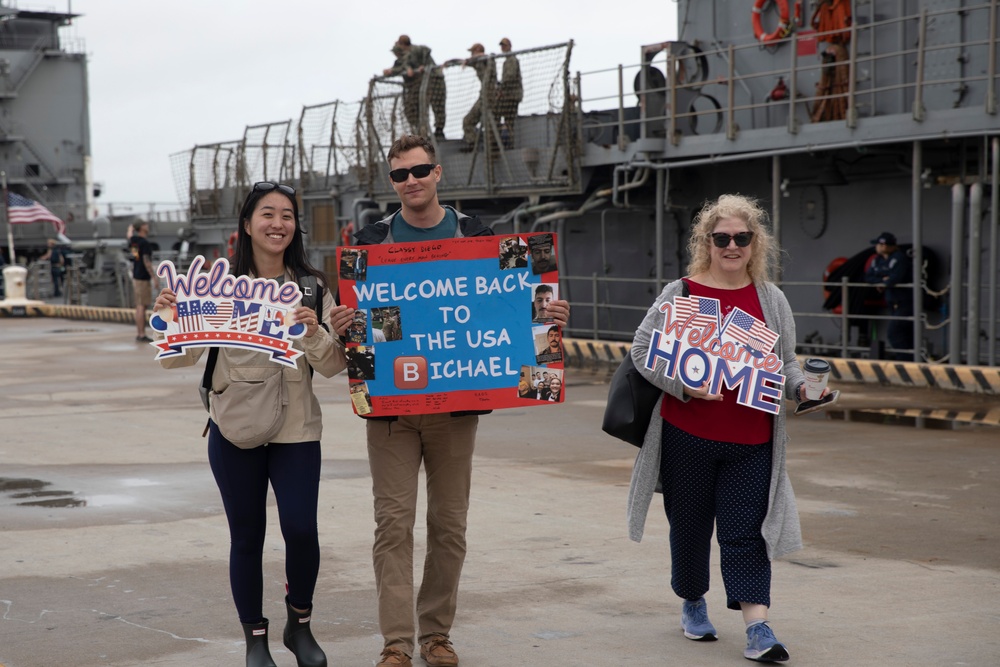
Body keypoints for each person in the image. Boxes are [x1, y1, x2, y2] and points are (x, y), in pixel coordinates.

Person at [345, 134, 569, 667]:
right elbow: (364, 327)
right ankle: (396, 642)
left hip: (455, 410)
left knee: (449, 525)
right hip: (393, 412)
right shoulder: (371, 241)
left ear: (438, 172)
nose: (411, 182)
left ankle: (436, 635)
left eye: (419, 171)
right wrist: (345, 326)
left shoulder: (478, 236)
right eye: (400, 175)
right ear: (391, 181)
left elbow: (513, 312)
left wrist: (549, 320)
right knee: (393, 527)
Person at [152, 182, 353, 667]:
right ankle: (255, 639)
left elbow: (332, 367)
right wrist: (169, 321)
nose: (278, 224)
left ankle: (298, 624)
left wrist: (314, 332)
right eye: (267, 214)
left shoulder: (311, 287)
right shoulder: (216, 289)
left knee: (302, 530)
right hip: (234, 427)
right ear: (246, 224)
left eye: (287, 215)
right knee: (247, 536)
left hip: (298, 429)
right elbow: (175, 361)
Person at [627, 194, 821, 664]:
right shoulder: (683, 293)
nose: (732, 246)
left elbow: (787, 363)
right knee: (690, 528)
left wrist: (803, 389)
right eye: (722, 238)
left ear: (756, 243)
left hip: (753, 440)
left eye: (742, 238)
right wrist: (684, 387)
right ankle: (693, 602)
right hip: (686, 435)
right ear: (707, 243)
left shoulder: (769, 298)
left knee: (747, 532)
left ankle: (757, 627)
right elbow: (641, 350)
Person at [384, 35, 446, 139]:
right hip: (419, 86)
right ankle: (421, 131)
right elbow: (403, 66)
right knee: (415, 110)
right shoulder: (405, 57)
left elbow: (411, 63)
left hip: (434, 79)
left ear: (402, 45)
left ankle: (438, 131)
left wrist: (421, 67)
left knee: (437, 105)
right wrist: (391, 71)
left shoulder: (417, 50)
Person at [864, 231, 914, 360]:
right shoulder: (878, 260)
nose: (877, 247)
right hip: (892, 301)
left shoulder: (899, 258)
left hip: (905, 301)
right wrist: (882, 282)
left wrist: (886, 282)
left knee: (895, 333)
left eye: (878, 245)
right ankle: (908, 360)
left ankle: (905, 361)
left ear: (884, 246)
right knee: (903, 332)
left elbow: (896, 278)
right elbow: (869, 276)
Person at [460, 43, 497, 152]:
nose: (471, 54)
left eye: (472, 51)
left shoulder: (487, 59)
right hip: (483, 95)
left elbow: (486, 56)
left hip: (490, 94)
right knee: (467, 121)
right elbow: (467, 61)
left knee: (489, 123)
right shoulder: (477, 61)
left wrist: (472, 58)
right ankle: (473, 144)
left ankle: (493, 147)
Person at [129, 221, 159, 343]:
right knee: (142, 306)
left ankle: (140, 333)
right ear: (141, 227)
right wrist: (154, 277)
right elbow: (147, 261)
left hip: (136, 275)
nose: (147, 226)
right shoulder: (145, 243)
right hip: (143, 277)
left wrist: (131, 229)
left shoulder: (134, 241)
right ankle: (141, 334)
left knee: (140, 305)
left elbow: (135, 254)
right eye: (145, 224)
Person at [494, 38, 522, 148]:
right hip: (509, 95)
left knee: (508, 119)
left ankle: (508, 143)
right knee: (507, 119)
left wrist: (500, 88)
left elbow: (509, 77)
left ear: (510, 46)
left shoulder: (512, 60)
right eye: (501, 46)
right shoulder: (507, 61)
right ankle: (504, 140)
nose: (503, 48)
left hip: (512, 96)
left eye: (504, 45)